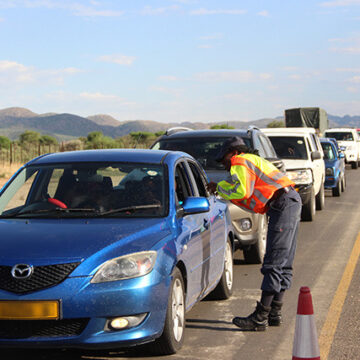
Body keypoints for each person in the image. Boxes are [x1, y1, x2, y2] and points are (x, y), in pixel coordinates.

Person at [207, 136, 302, 331]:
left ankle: (260, 317)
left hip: (282, 205)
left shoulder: (240, 161)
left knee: (274, 261)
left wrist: (219, 188)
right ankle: (274, 313)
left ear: (233, 152)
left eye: (223, 158)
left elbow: (241, 191)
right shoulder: (252, 161)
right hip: (289, 201)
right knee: (284, 261)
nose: (224, 165)